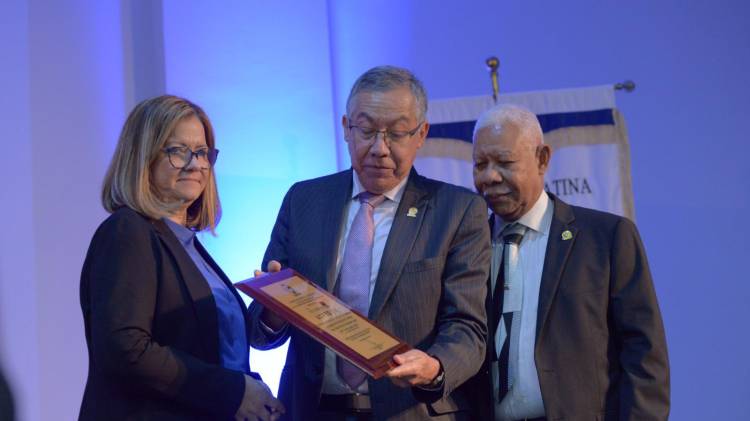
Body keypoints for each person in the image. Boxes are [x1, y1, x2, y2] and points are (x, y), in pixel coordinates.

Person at [247, 66, 490, 420]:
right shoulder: (304, 201)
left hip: (411, 410)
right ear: (346, 128)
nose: (379, 148)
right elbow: (259, 331)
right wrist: (273, 308)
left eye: (397, 132)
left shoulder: (457, 211)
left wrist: (435, 366)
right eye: (367, 130)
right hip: (314, 410)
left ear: (421, 134)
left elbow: (468, 328)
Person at [79, 95, 284, 421]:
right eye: (177, 151)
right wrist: (233, 391)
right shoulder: (128, 231)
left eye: (202, 153)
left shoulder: (189, 245)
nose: (195, 164)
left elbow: (215, 347)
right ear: (142, 158)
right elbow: (126, 349)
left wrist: (272, 314)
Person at [468, 104, 670, 420]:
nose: (490, 177)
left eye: (505, 162)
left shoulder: (607, 237)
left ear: (542, 158)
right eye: (480, 164)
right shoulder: (467, 245)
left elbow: (644, 355)